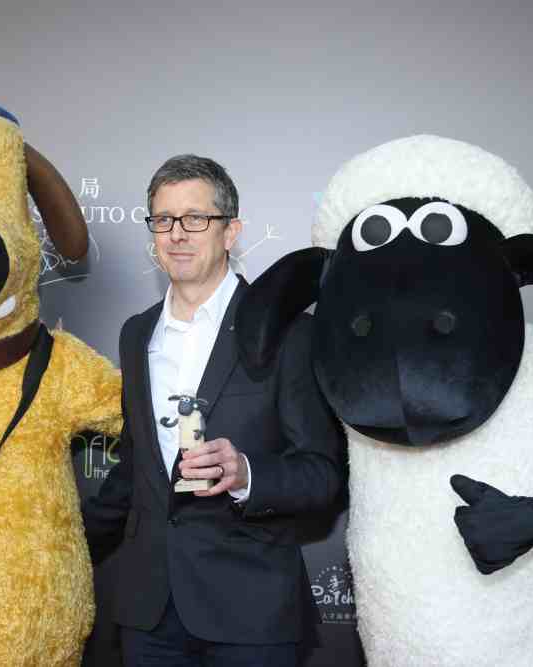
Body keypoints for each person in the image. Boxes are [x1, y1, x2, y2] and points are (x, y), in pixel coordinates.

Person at [81, 154, 345, 666]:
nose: (178, 233)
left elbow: (322, 474)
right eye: (164, 220)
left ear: (231, 231)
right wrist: (63, 541)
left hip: (251, 611)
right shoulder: (136, 334)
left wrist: (245, 471)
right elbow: (137, 469)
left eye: (196, 218)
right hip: (148, 614)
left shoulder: (290, 332)